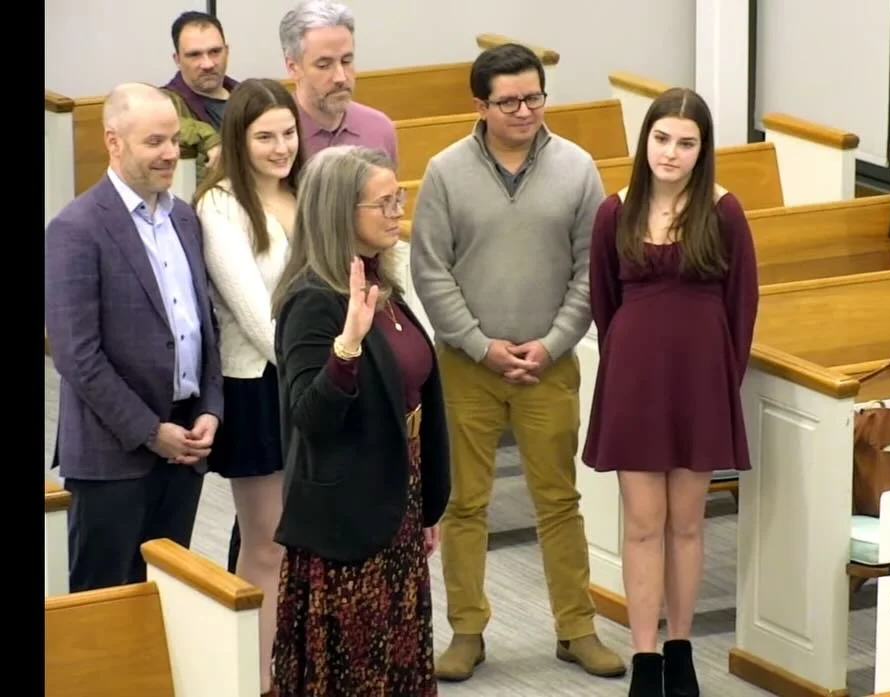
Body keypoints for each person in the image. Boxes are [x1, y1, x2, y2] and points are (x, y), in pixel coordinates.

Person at [409, 42, 625, 682]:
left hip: (548, 363)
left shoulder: (578, 168)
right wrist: (481, 345)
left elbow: (594, 269)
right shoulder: (446, 171)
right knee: (464, 504)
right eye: (510, 101)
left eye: (535, 96)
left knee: (558, 500)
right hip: (466, 366)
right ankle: (467, 632)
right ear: (480, 105)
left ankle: (575, 628)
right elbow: (429, 270)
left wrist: (553, 342)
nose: (526, 109)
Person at [583, 87, 758, 697]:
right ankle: (645, 658)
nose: (671, 152)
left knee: (687, 523)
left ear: (702, 149)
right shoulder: (616, 210)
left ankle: (680, 650)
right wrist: (630, 364)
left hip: (701, 381)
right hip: (634, 378)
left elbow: (742, 309)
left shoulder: (725, 211)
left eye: (686, 143)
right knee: (641, 523)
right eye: (662, 138)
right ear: (646, 140)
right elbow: (604, 304)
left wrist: (719, 384)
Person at [269, 145, 448, 696]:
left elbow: (415, 390)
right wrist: (346, 346)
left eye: (399, 197)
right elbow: (310, 418)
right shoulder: (313, 301)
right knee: (356, 669)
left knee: (395, 658)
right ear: (340, 212)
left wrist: (424, 501)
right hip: (347, 519)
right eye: (384, 202)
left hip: (399, 493)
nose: (398, 210)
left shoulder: (379, 282)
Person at [44, 83, 224, 593]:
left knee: (170, 599)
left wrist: (211, 406)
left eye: (173, 140)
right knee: (107, 606)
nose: (170, 153)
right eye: (153, 142)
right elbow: (78, 357)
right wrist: (150, 431)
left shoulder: (185, 217)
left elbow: (203, 326)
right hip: (112, 454)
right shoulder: (75, 229)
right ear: (114, 142)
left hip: (187, 445)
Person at [193, 77, 304, 696]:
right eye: (265, 136)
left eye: (288, 133)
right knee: (267, 543)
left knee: (307, 540)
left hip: (318, 381)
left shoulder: (306, 191)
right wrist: (328, 362)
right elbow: (257, 316)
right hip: (261, 386)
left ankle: (290, 666)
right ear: (239, 138)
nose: (280, 146)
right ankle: (255, 678)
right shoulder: (221, 204)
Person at [279, 0, 398, 166]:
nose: (340, 77)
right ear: (293, 67)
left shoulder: (379, 129)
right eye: (324, 65)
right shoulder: (276, 140)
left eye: (346, 61)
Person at [162, 11, 236, 176]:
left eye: (215, 51)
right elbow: (153, 125)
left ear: (227, 51)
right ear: (177, 59)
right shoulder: (164, 103)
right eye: (194, 55)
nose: (208, 64)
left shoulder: (248, 96)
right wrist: (208, 137)